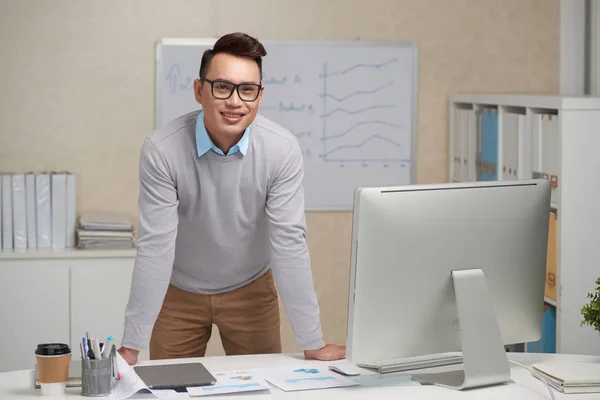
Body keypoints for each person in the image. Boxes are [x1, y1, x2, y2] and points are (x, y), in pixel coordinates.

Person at [118, 32, 346, 365]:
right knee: (167, 388)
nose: (235, 101)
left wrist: (312, 341)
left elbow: (289, 243)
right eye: (222, 87)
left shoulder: (281, 150)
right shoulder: (162, 150)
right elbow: (155, 246)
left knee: (264, 386)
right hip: (178, 293)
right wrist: (130, 345)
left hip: (250, 290)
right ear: (200, 90)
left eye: (247, 89)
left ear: (260, 95)